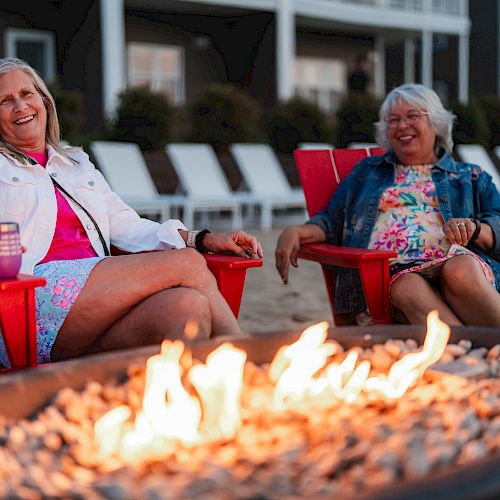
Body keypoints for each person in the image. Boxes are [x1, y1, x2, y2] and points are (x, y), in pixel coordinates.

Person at [0, 57, 263, 368]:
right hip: (30, 298)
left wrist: (200, 239)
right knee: (187, 264)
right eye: (5, 100)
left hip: (96, 305)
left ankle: (183, 404)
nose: (20, 106)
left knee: (188, 308)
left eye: (26, 94)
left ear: (43, 101)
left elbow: (126, 225)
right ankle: (251, 366)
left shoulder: (76, 164)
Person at [276, 83, 500, 327]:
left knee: (461, 269)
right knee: (407, 287)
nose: (402, 126)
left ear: (436, 123)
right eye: (392, 120)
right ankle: (467, 352)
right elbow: (331, 221)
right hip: (390, 284)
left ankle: (467, 351)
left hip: (459, 270)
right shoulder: (367, 173)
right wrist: (296, 232)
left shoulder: (470, 176)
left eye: (413, 116)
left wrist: (476, 228)